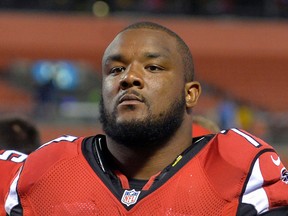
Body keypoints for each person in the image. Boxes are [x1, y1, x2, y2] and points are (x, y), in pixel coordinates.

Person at [1, 21, 288, 215]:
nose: (129, 78)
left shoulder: (239, 168)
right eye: (115, 70)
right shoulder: (46, 170)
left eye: (152, 67)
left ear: (191, 94)